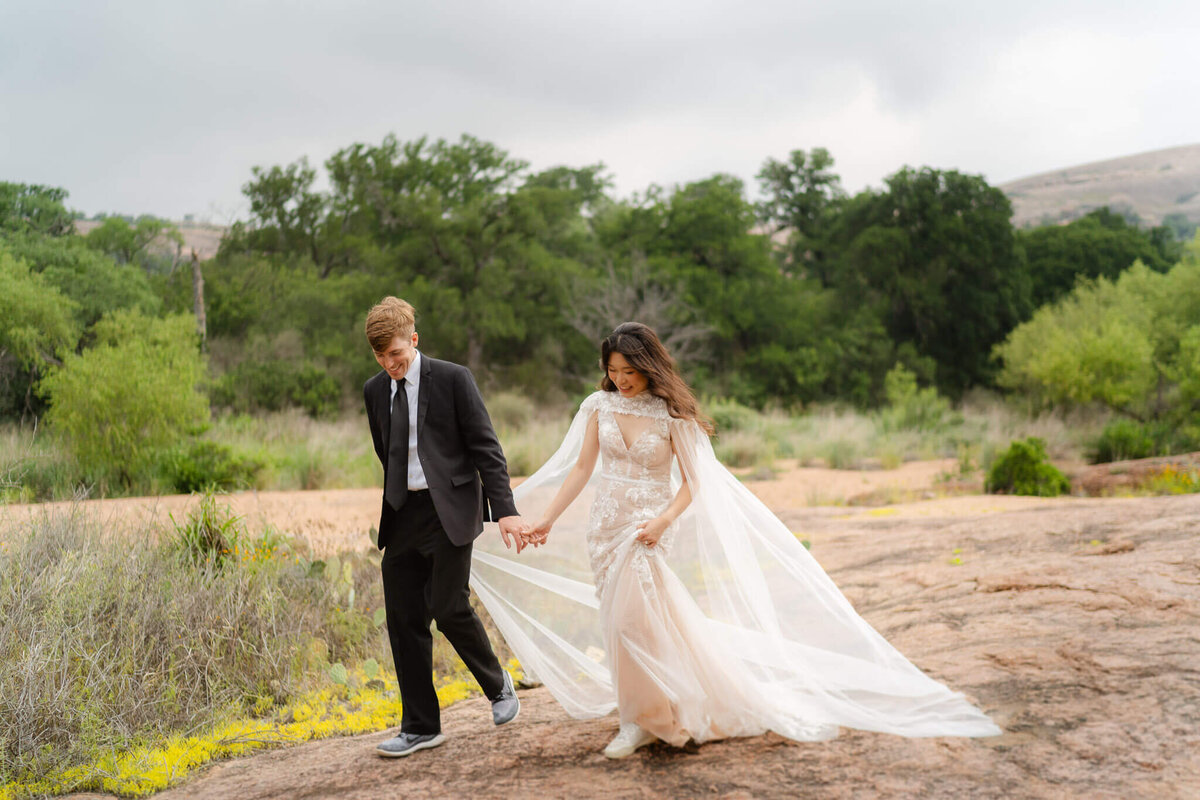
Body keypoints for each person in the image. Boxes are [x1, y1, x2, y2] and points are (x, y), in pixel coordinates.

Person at [470, 322, 1000, 759]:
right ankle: (646, 707)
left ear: (649, 367)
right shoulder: (598, 406)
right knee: (622, 618)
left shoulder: (672, 413)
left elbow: (695, 484)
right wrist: (546, 518)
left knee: (638, 619)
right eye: (612, 371)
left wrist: (662, 522)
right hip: (605, 527)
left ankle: (647, 721)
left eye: (629, 372)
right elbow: (582, 468)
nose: (620, 380)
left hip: (648, 528)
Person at [362, 296, 530, 758]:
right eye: (380, 356)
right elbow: (387, 450)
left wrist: (506, 508)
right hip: (402, 515)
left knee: (447, 604)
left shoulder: (455, 379)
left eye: (396, 354)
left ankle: (498, 686)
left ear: (413, 341)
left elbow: (485, 447)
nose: (389, 364)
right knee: (403, 617)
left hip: (451, 509)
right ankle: (420, 726)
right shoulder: (374, 390)